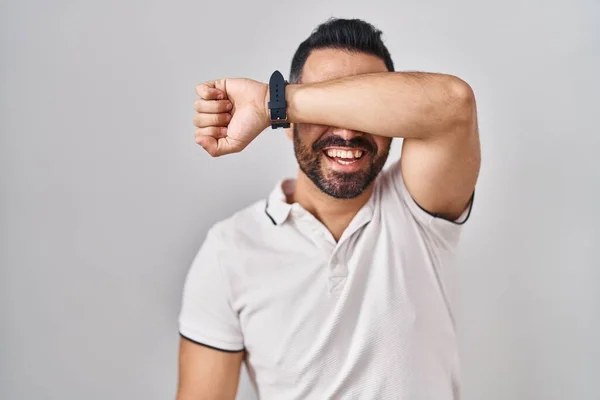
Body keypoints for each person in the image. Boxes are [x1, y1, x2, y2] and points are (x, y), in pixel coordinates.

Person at [178, 18, 480, 400]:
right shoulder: (229, 250)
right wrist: (277, 103)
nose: (349, 131)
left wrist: (274, 101)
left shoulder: (420, 211)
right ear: (287, 125)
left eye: (366, 110)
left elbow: (454, 102)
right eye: (326, 105)